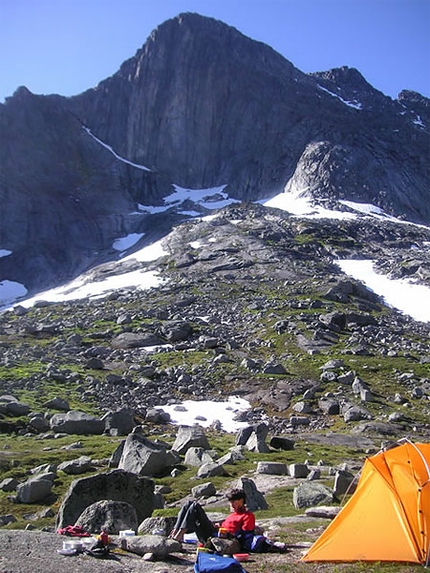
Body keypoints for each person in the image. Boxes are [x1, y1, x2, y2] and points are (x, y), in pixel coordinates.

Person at [169, 488, 287, 553]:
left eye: (234, 502)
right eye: (231, 502)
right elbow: (224, 525)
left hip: (222, 541)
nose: (232, 504)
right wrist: (217, 526)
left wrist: (227, 533)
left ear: (241, 501)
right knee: (188, 504)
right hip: (214, 534)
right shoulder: (232, 515)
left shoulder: (248, 516)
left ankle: (178, 537)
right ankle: (175, 533)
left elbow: (245, 537)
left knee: (195, 507)